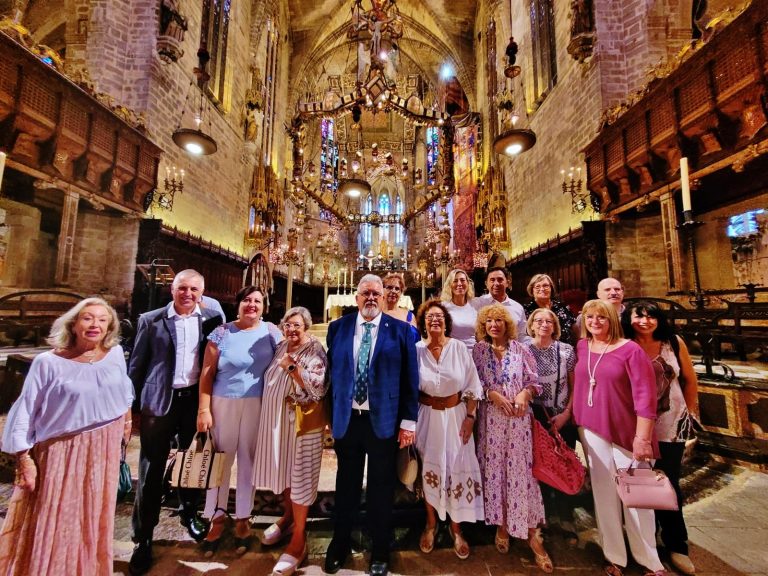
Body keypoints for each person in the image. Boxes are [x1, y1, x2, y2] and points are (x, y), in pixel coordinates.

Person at [0, 298, 133, 575]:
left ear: (110, 326)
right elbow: (26, 407)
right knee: (56, 515)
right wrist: (24, 458)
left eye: (101, 319)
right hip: (61, 449)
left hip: (104, 447)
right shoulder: (47, 363)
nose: (94, 324)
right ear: (73, 324)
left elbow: (123, 389)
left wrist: (127, 420)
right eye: (87, 318)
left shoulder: (116, 353)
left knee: (92, 515)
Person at [128, 269, 223, 575]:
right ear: (172, 289)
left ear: (202, 292)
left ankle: (189, 512)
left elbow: (216, 361)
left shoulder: (212, 318)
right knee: (151, 467)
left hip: (194, 402)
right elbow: (136, 366)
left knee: (193, 460)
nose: (188, 294)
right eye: (183, 288)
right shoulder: (150, 320)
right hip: (158, 402)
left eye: (194, 289)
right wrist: (132, 409)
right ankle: (143, 537)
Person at [324, 273, 419, 576]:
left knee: (381, 487)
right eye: (365, 293)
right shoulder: (337, 328)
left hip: (385, 422)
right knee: (346, 485)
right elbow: (331, 377)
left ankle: (380, 548)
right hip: (348, 421)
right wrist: (330, 418)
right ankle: (339, 543)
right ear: (356, 297)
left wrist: (408, 422)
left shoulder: (402, 332)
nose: (371, 298)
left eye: (376, 293)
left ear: (384, 297)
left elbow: (410, 381)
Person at [573, 299, 665, 576]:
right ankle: (615, 556)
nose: (595, 322)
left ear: (611, 319)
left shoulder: (630, 350)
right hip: (592, 428)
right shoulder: (582, 347)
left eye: (601, 317)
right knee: (604, 495)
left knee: (636, 497)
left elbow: (645, 396)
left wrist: (643, 438)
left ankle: (649, 560)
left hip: (627, 430)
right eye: (590, 317)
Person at [196, 286, 282, 555]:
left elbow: (287, 356)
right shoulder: (222, 332)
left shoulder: (271, 332)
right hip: (223, 403)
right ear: (238, 303)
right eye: (247, 300)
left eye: (257, 301)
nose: (252, 305)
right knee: (220, 461)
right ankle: (217, 518)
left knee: (249, 461)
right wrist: (204, 410)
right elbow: (207, 373)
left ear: (264, 307)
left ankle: (244, 519)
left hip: (257, 404)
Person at [472, 303, 553, 574]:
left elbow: (534, 382)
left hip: (518, 422)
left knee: (521, 474)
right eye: (489, 322)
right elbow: (472, 383)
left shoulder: (521, 350)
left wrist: (524, 395)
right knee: (495, 472)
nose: (494, 325)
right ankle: (502, 526)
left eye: (498, 320)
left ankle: (532, 534)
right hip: (491, 423)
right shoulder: (479, 351)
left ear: (507, 324)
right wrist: (491, 393)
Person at [622, 302, 699, 576]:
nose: (645, 321)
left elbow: (689, 380)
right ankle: (646, 542)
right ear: (628, 320)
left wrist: (691, 414)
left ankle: (677, 544)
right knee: (640, 483)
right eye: (638, 316)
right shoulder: (624, 343)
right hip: (636, 425)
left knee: (669, 482)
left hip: (670, 423)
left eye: (651, 316)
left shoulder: (673, 343)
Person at [253, 306, 328, 576]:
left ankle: (299, 542)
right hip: (280, 424)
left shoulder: (315, 350)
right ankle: (287, 519)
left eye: (297, 325)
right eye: (288, 325)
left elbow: (318, 388)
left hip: (303, 425)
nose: (292, 329)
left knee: (301, 478)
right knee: (286, 473)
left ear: (306, 326)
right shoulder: (281, 345)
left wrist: (294, 368)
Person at [414, 299, 484, 560]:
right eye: (430, 317)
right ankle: (431, 523)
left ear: (446, 322)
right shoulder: (416, 350)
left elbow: (473, 385)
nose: (435, 320)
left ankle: (456, 528)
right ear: (423, 324)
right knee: (428, 468)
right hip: (427, 417)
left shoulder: (458, 348)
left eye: (439, 317)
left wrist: (470, 417)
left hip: (456, 417)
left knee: (455, 467)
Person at [526, 307, 579, 545]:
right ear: (532, 325)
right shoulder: (524, 349)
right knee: (539, 466)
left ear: (555, 326)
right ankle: (544, 516)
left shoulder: (566, 350)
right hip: (535, 416)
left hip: (561, 415)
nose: (544, 324)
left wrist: (567, 413)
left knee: (563, 464)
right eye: (539, 321)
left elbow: (574, 384)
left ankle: (567, 517)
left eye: (549, 321)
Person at [472, 266, 529, 344]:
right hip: (483, 352)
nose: (496, 283)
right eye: (492, 280)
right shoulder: (477, 304)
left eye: (500, 279)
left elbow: (521, 335)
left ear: (507, 283)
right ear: (486, 284)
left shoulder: (518, 308)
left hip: (511, 353)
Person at [523, 273, 578, 345]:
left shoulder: (562, 307)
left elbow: (575, 329)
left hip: (566, 352)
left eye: (545, 286)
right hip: (539, 352)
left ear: (551, 288)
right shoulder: (526, 310)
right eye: (537, 287)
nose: (542, 289)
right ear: (532, 290)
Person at [440, 268, 478, 351]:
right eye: (455, 281)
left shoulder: (475, 304)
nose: (459, 284)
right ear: (450, 285)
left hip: (474, 353)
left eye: (462, 280)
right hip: (454, 353)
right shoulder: (444, 307)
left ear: (468, 284)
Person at [382, 272, 419, 341]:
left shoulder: (410, 316)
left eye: (397, 289)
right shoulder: (375, 314)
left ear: (401, 292)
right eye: (389, 287)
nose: (393, 291)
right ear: (382, 290)